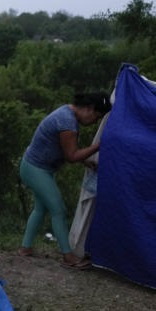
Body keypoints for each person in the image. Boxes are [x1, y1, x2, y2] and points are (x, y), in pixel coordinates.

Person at [18, 91, 110, 268]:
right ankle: (68, 257)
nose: (94, 122)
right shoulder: (67, 121)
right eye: (97, 118)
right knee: (58, 209)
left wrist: (87, 160)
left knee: (41, 208)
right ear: (89, 109)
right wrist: (98, 146)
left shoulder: (67, 114)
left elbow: (67, 148)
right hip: (36, 169)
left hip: (35, 167)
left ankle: (25, 248)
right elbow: (71, 155)